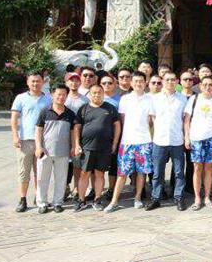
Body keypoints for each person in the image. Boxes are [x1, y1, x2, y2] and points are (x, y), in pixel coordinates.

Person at [106, 71, 153, 212]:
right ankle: (114, 201)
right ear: (131, 83)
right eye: (136, 81)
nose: (138, 84)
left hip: (144, 141)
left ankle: (137, 198)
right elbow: (122, 120)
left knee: (141, 172)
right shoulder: (125, 99)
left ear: (145, 83)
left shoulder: (150, 99)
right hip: (127, 142)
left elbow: (151, 121)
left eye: (141, 81)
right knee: (122, 173)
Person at [73, 84, 121, 211]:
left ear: (103, 94)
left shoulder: (110, 108)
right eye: (94, 92)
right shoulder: (83, 109)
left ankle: (98, 199)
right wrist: (77, 144)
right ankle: (81, 200)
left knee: (100, 174)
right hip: (87, 147)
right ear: (89, 94)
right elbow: (77, 127)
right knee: (84, 174)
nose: (96, 95)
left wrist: (115, 143)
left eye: (99, 92)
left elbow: (117, 125)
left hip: (104, 148)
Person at [11, 71, 52, 212]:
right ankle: (22, 199)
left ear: (43, 82)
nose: (35, 83)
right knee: (24, 171)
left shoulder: (48, 99)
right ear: (28, 82)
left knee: (39, 172)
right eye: (32, 81)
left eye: (38, 81)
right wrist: (15, 136)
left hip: (42, 141)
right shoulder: (20, 98)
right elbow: (14, 118)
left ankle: (38, 197)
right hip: (25, 140)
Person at [148, 70, 188, 211]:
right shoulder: (155, 98)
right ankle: (156, 198)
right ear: (163, 81)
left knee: (179, 172)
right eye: (167, 80)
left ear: (177, 81)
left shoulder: (183, 98)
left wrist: (186, 136)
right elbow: (153, 118)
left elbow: (185, 119)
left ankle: (179, 197)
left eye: (173, 79)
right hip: (159, 140)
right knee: (157, 172)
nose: (170, 82)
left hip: (177, 140)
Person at [34, 85, 76, 214]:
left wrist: (74, 146)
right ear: (52, 95)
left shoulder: (70, 114)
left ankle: (58, 202)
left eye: (64, 95)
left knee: (61, 179)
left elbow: (73, 132)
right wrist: (38, 146)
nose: (61, 97)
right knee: (42, 178)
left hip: (63, 152)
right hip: (45, 152)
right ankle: (42, 203)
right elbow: (38, 130)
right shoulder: (45, 111)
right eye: (58, 94)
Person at [184, 75, 212, 210]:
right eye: (205, 84)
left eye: (210, 84)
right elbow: (187, 120)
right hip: (196, 139)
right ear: (200, 86)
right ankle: (197, 198)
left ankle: (207, 197)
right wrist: (187, 137)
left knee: (209, 168)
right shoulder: (193, 99)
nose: (208, 87)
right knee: (197, 167)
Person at [64, 72, 89, 200]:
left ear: (80, 82)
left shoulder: (85, 100)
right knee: (63, 162)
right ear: (66, 82)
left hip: (79, 134)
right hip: (63, 134)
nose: (74, 83)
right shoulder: (63, 97)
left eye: (76, 80)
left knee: (76, 162)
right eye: (71, 80)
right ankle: (64, 187)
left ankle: (77, 188)